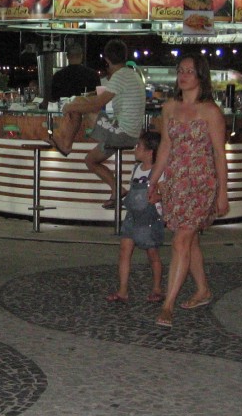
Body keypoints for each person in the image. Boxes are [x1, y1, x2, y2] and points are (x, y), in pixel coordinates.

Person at [148, 52, 229, 328]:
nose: (183, 76)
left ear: (201, 76)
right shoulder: (170, 107)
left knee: (181, 240)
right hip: (176, 182)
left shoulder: (210, 112)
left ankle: (168, 306)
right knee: (189, 240)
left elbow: (219, 154)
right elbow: (165, 146)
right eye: (180, 70)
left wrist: (222, 192)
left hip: (201, 183)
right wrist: (153, 180)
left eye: (189, 71)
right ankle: (203, 289)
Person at [48, 39, 146, 208]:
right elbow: (100, 97)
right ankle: (118, 190)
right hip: (129, 134)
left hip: (121, 133)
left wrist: (70, 106)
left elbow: (95, 106)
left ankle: (66, 145)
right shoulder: (132, 74)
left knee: (78, 104)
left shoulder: (119, 76)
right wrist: (81, 101)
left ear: (106, 59)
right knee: (90, 160)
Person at [106, 129, 165, 304]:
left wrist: (158, 197)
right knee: (124, 251)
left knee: (152, 254)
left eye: (139, 146)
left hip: (149, 219)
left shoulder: (158, 171)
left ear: (150, 152)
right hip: (132, 216)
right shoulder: (136, 169)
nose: (135, 148)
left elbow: (166, 192)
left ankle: (157, 288)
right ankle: (123, 290)